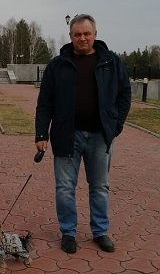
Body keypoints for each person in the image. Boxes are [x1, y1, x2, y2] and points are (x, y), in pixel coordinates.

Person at [35, 14, 131, 254]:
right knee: (65, 187)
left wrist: (115, 126)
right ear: (71, 37)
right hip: (67, 136)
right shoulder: (58, 65)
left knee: (100, 187)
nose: (83, 38)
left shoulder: (111, 62)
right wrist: (41, 134)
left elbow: (124, 95)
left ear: (95, 34)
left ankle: (100, 231)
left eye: (87, 33)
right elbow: (44, 102)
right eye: (77, 34)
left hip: (100, 136)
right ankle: (68, 232)